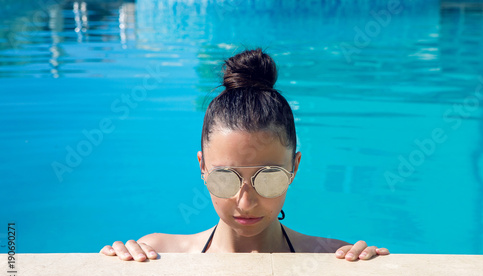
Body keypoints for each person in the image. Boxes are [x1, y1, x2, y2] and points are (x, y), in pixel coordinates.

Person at [100, 48, 389, 261]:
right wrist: (117, 266)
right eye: (225, 178)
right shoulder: (159, 253)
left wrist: (370, 273)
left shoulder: (331, 257)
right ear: (202, 167)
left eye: (269, 178)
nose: (246, 202)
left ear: (295, 167)